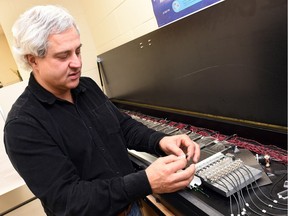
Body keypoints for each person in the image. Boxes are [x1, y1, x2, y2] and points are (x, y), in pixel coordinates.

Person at [4, 5, 200, 216]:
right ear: (33, 59)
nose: (77, 63)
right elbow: (69, 200)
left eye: (78, 51)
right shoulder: (23, 126)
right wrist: (146, 181)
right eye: (63, 56)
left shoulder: (87, 87)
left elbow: (123, 127)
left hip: (132, 208)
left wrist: (159, 141)